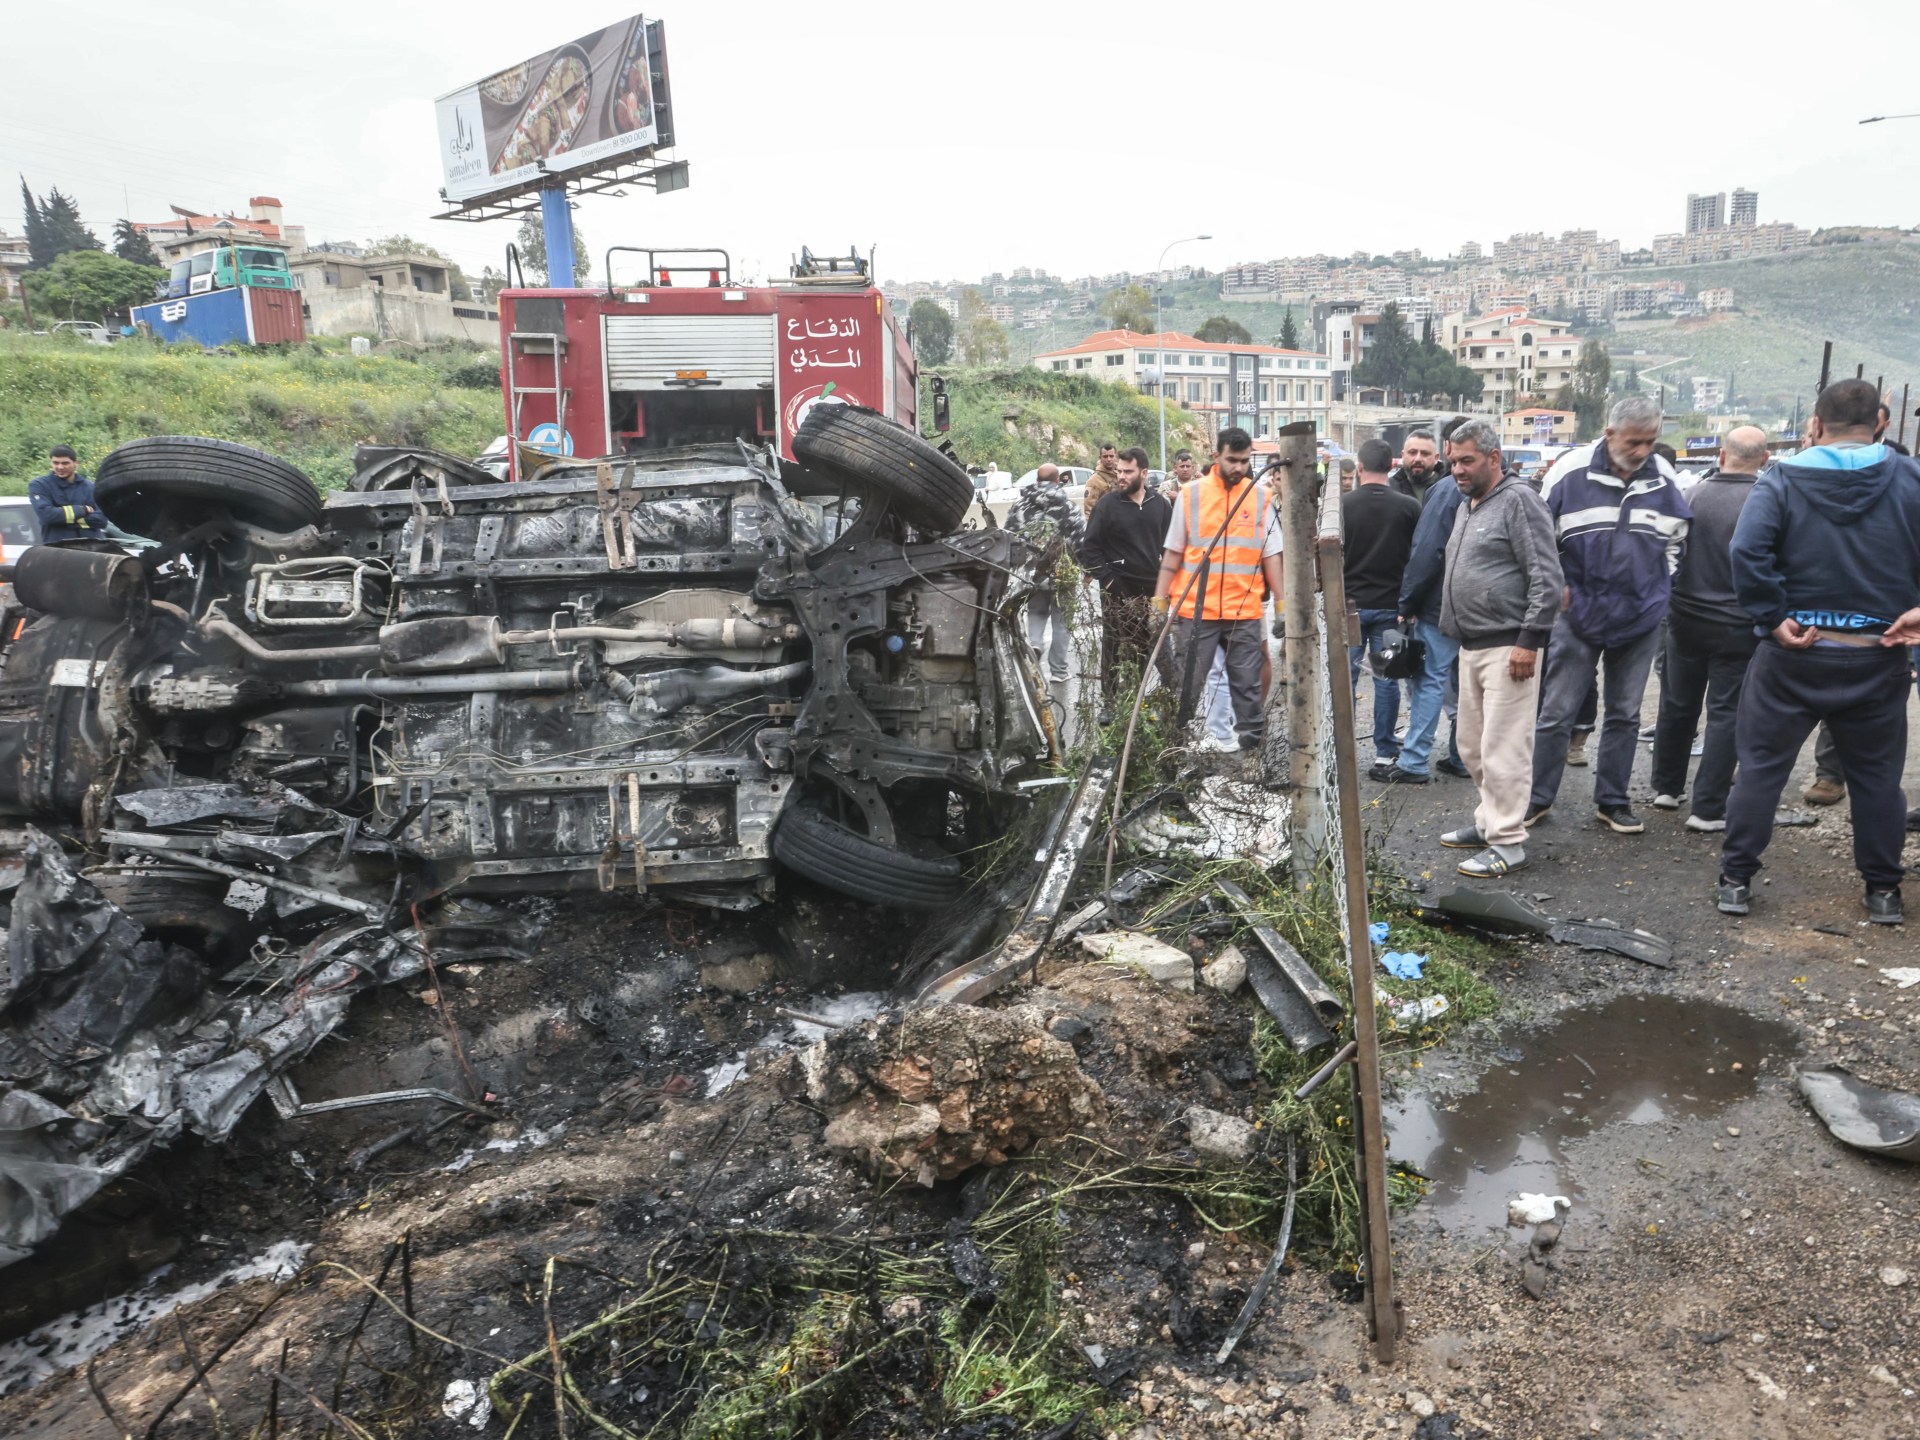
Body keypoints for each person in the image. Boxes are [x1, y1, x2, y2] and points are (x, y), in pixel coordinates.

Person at [1717, 379, 1920, 925]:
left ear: (1816, 422)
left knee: (1760, 770)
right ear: (1879, 421)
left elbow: (1747, 549)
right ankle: (1882, 892)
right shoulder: (1909, 477)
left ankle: (1736, 881)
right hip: (1877, 652)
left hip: (1794, 653)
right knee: (1877, 778)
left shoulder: (1782, 477)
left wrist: (1771, 617)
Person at [1524, 396, 1691, 836]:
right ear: (1610, 433)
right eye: (1634, 442)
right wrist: (1555, 586)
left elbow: (1676, 539)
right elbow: (1540, 536)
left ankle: (1612, 801)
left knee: (1625, 713)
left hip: (1640, 615)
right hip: (1576, 613)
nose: (1641, 451)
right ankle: (1537, 798)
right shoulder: (1570, 470)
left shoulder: (1663, 476)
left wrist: (1662, 588)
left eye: (1650, 442)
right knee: (1557, 712)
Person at [1435, 420, 1563, 878]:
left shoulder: (1519, 500)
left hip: (1510, 646)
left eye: (1466, 460)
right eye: (1452, 462)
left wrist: (1530, 641)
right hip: (1472, 644)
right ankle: (1489, 821)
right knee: (1472, 745)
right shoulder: (1469, 504)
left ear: (1493, 458)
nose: (1457, 470)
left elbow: (1546, 577)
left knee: (1503, 748)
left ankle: (1507, 842)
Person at [1648, 427, 1769, 832]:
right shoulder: (1765, 501)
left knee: (1677, 703)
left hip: (1685, 618)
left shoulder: (1692, 495)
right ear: (1764, 459)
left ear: (1721, 455)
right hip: (1739, 624)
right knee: (1726, 713)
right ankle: (1708, 808)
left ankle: (1666, 787)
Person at [1153, 427, 1283, 750]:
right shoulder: (1192, 495)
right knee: (1187, 685)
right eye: (1232, 460)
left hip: (1243, 611)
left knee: (1247, 687)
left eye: (1244, 461)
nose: (1239, 468)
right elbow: (1173, 552)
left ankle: (1252, 755)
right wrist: (1159, 601)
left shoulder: (1259, 497)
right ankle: (1174, 750)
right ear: (1216, 457)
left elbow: (1272, 556)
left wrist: (1282, 605)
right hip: (1196, 611)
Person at [1381, 439, 1469, 784]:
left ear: (1444, 451)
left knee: (1430, 680)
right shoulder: (1501, 487)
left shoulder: (1446, 490)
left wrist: (1408, 601)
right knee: (1466, 685)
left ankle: (1415, 760)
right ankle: (1461, 756)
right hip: (1475, 604)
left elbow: (1428, 551)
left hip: (1440, 604)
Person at [1343, 438, 1422, 768]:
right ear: (1392, 466)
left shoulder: (1342, 507)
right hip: (1394, 608)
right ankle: (1385, 752)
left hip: (1349, 608)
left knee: (1343, 678)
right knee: (1387, 679)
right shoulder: (1409, 507)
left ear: (1359, 468)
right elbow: (1418, 557)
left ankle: (1340, 751)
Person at [1082, 446, 1175, 718]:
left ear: (1143, 473)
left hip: (1152, 591)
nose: (1120, 476)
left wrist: (1165, 588)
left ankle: (1171, 698)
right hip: (1116, 592)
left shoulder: (1160, 505)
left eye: (1127, 471)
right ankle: (1109, 704)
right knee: (1113, 646)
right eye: (1119, 471)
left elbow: (1170, 549)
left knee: (1156, 646)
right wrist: (1110, 582)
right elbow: (1090, 549)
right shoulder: (1107, 505)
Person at [1007, 463, 1084, 685]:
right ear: (1058, 480)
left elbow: (1010, 536)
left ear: (1037, 479)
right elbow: (1080, 538)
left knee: (1036, 614)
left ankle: (1036, 645)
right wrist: (1087, 568)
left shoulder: (1020, 506)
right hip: (1063, 574)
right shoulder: (1068, 507)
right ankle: (1059, 671)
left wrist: (1015, 570)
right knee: (1062, 622)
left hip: (1033, 574)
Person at [27, 444, 111, 548]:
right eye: (55, 463)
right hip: (58, 550)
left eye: (65, 463)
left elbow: (101, 521)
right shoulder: (39, 485)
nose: (60, 467)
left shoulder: (90, 487)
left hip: (91, 550)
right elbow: (47, 516)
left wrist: (62, 518)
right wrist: (82, 510)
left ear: (76, 463)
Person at [1389, 430, 1444, 505]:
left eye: (1425, 453)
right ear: (1403, 456)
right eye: (1412, 452)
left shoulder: (1450, 487)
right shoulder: (1389, 488)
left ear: (1436, 458)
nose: (1418, 459)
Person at [1082, 442, 1121, 516]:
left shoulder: (1121, 474)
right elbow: (1089, 510)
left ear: (1115, 457)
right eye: (1105, 456)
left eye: (1111, 456)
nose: (1109, 459)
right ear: (1100, 458)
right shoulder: (1094, 481)